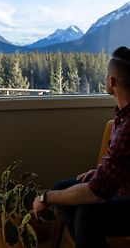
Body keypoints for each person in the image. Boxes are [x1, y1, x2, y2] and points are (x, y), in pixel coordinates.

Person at [33, 46, 130, 248]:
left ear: (111, 82)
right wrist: (101, 172)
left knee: (87, 215)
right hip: (122, 185)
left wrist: (45, 197)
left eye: (106, 75)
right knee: (62, 188)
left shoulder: (127, 128)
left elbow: (96, 193)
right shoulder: (122, 116)